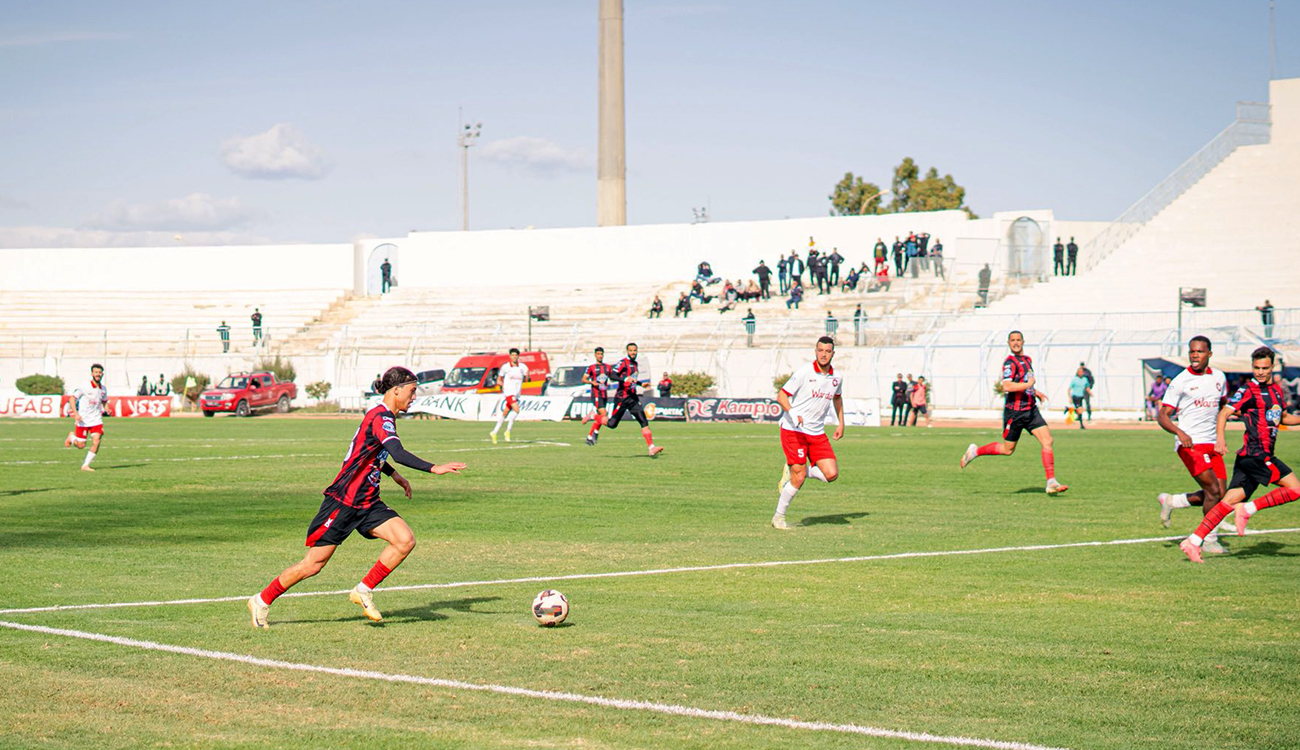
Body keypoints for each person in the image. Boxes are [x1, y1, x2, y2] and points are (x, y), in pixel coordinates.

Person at [246, 366, 465, 627]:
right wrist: (434, 467)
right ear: (397, 390)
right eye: (412, 391)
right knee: (313, 565)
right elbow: (397, 452)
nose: (414, 396)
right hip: (344, 501)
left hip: (368, 502)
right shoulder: (381, 417)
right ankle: (262, 600)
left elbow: (369, 452)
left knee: (404, 540)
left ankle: (363, 590)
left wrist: (393, 475)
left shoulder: (382, 415)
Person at [1179, 347, 1300, 562]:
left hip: (1249, 458)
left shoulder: (1276, 391)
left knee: (1227, 502)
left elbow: (1283, 418)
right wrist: (1220, 438)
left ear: (1272, 367)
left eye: (1264, 368)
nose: (1260, 372)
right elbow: (1224, 413)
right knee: (1295, 489)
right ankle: (1248, 509)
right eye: (1256, 368)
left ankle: (1193, 541)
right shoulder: (1248, 390)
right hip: (1257, 455)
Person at [960, 331, 1068, 495]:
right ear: (1009, 343)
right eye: (1013, 340)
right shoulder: (1009, 363)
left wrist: (1034, 391)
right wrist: (1029, 385)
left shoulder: (1028, 360)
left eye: (1018, 340)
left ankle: (1051, 482)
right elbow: (1007, 386)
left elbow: (1024, 382)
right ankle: (975, 452)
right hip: (1015, 413)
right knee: (1008, 450)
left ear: (1023, 341)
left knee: (1047, 441)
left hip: (1031, 410)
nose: (1016, 342)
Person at [1153, 337, 1229, 555]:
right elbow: (1162, 415)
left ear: (1209, 354)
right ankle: (1209, 539)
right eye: (1192, 351)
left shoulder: (1219, 377)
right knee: (1213, 491)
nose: (1195, 355)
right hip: (1190, 444)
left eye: (1200, 352)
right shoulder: (1181, 380)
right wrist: (1180, 432)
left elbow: (1223, 406)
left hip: (1212, 444)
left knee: (1221, 494)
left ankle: (1173, 501)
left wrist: (1220, 436)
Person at [772, 336, 844, 529]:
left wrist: (841, 423)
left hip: (817, 433)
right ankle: (778, 517)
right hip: (793, 430)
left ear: (833, 353)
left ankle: (795, 468)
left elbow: (837, 398)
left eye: (827, 351)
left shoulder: (837, 378)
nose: (823, 354)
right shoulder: (805, 372)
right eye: (820, 350)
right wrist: (793, 413)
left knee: (831, 474)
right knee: (799, 477)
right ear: (815, 351)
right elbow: (782, 396)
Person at [602, 343, 663, 457]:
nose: (633, 352)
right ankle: (594, 417)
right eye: (631, 350)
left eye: (635, 350)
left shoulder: (635, 364)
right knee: (612, 424)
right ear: (627, 351)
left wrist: (641, 384)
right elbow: (612, 376)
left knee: (644, 422)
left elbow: (632, 380)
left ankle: (651, 448)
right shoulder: (623, 362)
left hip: (633, 397)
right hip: (622, 398)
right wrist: (625, 379)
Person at [64, 363, 108, 472]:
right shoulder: (84, 386)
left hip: (96, 420)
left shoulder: (103, 389)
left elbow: (104, 401)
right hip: (83, 420)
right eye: (96, 372)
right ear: (92, 373)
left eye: (100, 372)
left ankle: (85, 465)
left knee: (96, 441)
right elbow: (72, 399)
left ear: (102, 374)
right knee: (81, 445)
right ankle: (72, 437)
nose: (98, 374)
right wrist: (76, 414)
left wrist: (107, 408)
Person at [489, 348, 527, 444]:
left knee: (505, 412)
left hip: (517, 393)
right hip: (509, 392)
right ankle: (508, 431)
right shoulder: (505, 367)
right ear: (510, 356)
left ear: (518, 356)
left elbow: (527, 378)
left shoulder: (523, 367)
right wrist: (501, 385)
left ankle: (494, 432)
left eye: (516, 355)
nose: (514, 357)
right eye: (512, 355)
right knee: (516, 410)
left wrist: (528, 377)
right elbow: (499, 379)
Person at [582, 347, 614, 446]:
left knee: (601, 416)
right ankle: (592, 420)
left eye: (601, 354)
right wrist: (592, 382)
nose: (600, 356)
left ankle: (589, 437)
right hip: (596, 394)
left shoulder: (608, 367)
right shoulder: (591, 367)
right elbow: (584, 379)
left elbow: (612, 378)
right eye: (598, 354)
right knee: (604, 414)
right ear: (595, 355)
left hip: (604, 394)